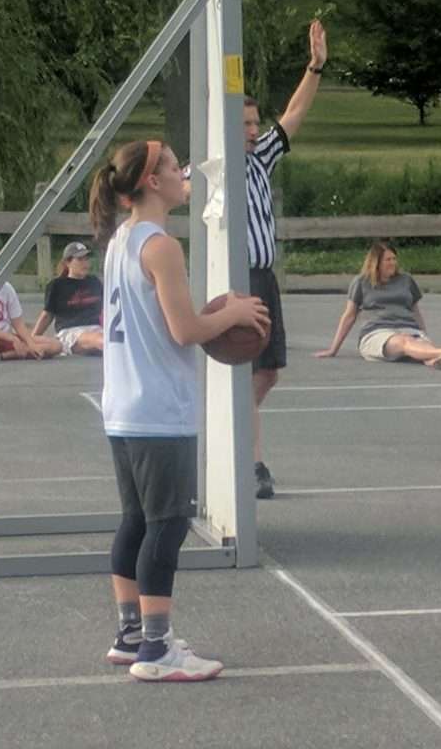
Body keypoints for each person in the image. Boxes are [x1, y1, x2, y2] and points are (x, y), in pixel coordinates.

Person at [88, 139, 269, 682]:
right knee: (167, 526)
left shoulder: (122, 239)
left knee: (135, 521)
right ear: (150, 183)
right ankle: (157, 650)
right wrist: (234, 309)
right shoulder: (161, 245)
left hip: (122, 404)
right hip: (158, 408)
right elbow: (186, 330)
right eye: (171, 166)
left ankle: (131, 633)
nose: (181, 172)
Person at [245, 19, 327, 500]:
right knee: (246, 371)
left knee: (268, 371)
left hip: (265, 277)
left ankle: (231, 425)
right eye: (245, 125)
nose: (255, 131)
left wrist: (315, 65)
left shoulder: (260, 158)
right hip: (237, 280)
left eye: (256, 123)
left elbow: (294, 113)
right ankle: (251, 460)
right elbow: (179, 188)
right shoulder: (210, 166)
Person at [314, 242, 441, 368]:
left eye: (394, 258)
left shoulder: (406, 280)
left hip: (408, 328)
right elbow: (349, 316)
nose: (393, 263)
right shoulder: (361, 282)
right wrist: (333, 349)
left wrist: (424, 335)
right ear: (376, 263)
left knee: (419, 346)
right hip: (377, 332)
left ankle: (439, 360)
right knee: (404, 342)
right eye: (388, 260)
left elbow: (415, 312)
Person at [0, 250, 62, 362]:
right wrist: (10, 338)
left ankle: (1, 356)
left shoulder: (6, 288)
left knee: (56, 345)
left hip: (7, 336)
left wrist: (31, 344)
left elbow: (18, 324)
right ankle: (10, 352)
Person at [31, 242, 104, 356]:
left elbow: (104, 310)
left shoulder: (94, 282)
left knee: (112, 339)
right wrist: (31, 339)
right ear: (67, 262)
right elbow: (47, 315)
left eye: (86, 259)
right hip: (70, 331)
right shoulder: (57, 285)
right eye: (80, 259)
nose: (85, 263)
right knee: (100, 340)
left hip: (96, 328)